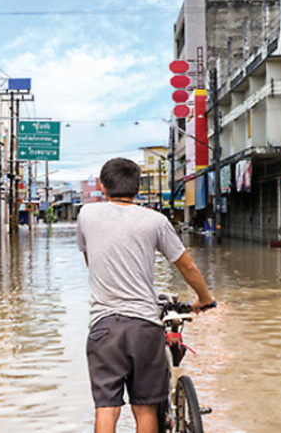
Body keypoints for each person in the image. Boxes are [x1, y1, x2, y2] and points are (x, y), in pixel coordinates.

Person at [77, 157, 215, 433]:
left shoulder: (86, 215)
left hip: (103, 328)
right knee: (145, 408)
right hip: (144, 327)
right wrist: (204, 299)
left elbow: (90, 259)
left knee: (107, 407)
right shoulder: (156, 220)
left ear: (102, 187)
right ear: (139, 187)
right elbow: (186, 265)